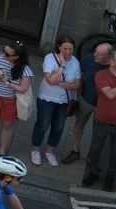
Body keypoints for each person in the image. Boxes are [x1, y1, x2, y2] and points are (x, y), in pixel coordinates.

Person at [81, 50, 116, 191]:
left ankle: (110, 177)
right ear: (111, 62)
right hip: (102, 120)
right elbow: (110, 94)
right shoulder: (101, 75)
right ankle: (92, 173)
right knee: (95, 150)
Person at [30, 34, 79, 166]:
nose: (68, 52)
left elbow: (77, 85)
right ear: (59, 47)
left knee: (58, 127)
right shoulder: (50, 58)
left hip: (64, 101)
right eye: (65, 49)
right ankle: (35, 149)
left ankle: (49, 151)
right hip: (47, 98)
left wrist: (61, 84)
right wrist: (62, 66)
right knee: (42, 125)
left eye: (70, 49)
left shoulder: (75, 62)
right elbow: (50, 81)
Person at [62, 41, 110, 163]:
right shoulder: (88, 59)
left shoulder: (114, 66)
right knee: (78, 125)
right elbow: (80, 77)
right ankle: (75, 150)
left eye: (99, 54)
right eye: (95, 52)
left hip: (103, 106)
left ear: (108, 57)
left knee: (98, 133)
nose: (95, 56)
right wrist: (77, 97)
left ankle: (93, 158)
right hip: (85, 100)